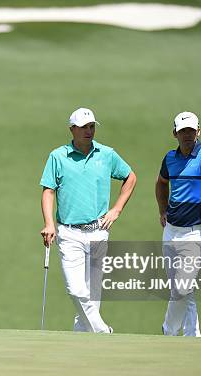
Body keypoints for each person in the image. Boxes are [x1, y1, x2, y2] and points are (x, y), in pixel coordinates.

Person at [39, 107, 137, 333]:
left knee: (93, 296)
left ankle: (83, 339)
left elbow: (130, 177)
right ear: (72, 129)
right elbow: (48, 191)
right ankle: (102, 331)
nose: (89, 131)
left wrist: (116, 210)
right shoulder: (58, 156)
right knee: (75, 290)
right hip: (69, 232)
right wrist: (49, 223)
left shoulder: (106, 154)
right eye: (83, 127)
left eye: (91, 126)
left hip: (99, 231)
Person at [155, 111, 201, 337]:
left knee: (182, 287)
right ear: (175, 133)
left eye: (191, 130)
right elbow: (161, 184)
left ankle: (168, 330)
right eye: (182, 131)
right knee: (182, 291)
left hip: (195, 233)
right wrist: (162, 210)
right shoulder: (170, 158)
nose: (187, 135)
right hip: (171, 232)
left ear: (198, 131)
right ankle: (191, 336)